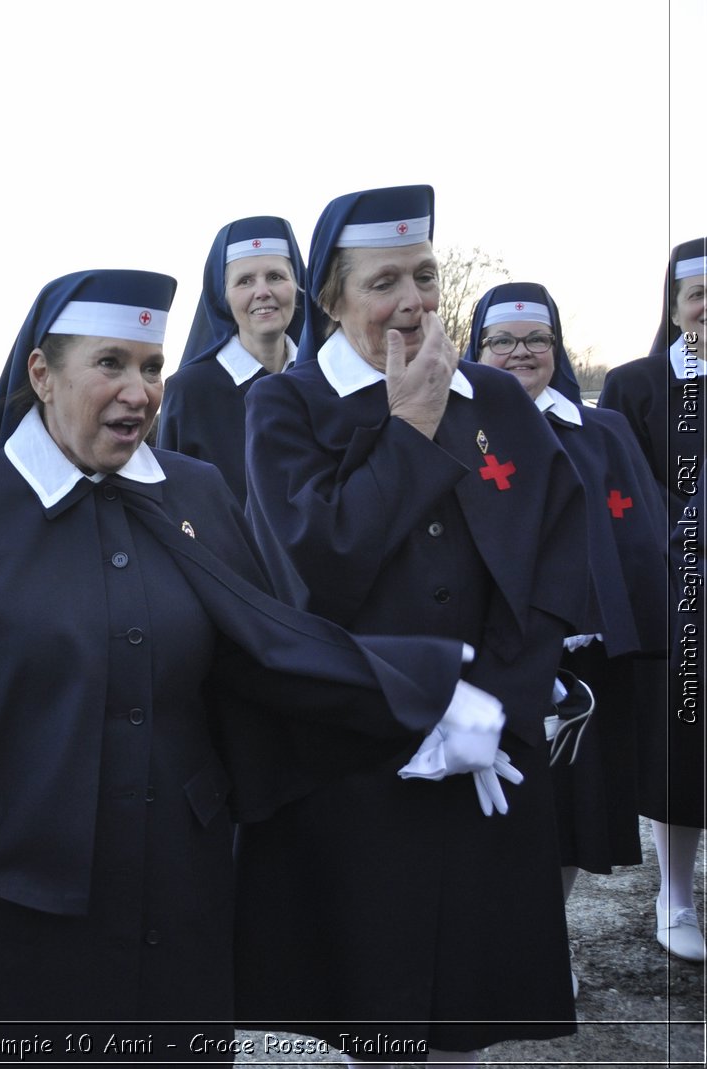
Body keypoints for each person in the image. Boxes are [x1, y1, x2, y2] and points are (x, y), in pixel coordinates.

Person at [0, 268, 506, 1062]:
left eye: (151, 367)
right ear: (43, 375)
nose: (141, 390)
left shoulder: (194, 491)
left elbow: (265, 647)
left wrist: (419, 694)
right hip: (20, 890)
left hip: (174, 880)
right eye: (111, 363)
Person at [238, 185, 587, 1064]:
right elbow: (317, 569)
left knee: (468, 1009)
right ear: (332, 297)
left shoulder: (500, 401)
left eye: (425, 276)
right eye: (383, 280)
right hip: (360, 752)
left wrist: (501, 703)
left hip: (486, 756)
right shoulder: (285, 408)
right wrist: (411, 428)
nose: (412, 302)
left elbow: (556, 561)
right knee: (378, 1009)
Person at [463, 282, 668, 932]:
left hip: (587, 657)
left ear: (557, 347)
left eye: (536, 339)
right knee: (492, 807)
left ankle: (547, 930)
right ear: (479, 346)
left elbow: (635, 535)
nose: (521, 352)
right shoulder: (452, 424)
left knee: (577, 812)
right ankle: (495, 931)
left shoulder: (600, 429)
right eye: (503, 340)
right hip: (490, 656)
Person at [600, 237, 707, 962]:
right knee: (686, 747)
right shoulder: (636, 384)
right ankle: (676, 894)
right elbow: (626, 491)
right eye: (699, 295)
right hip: (683, 594)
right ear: (673, 307)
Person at [156, 215, 306, 505]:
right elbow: (175, 504)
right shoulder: (189, 392)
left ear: (298, 286)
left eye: (275, 276)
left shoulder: (323, 378)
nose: (262, 292)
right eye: (245, 281)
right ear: (222, 296)